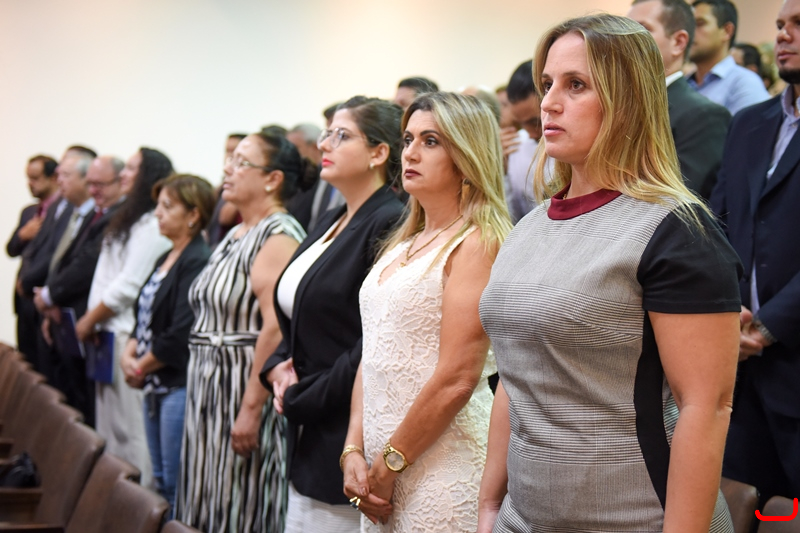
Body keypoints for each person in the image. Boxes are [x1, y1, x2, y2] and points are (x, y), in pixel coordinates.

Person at [477, 14, 742, 532]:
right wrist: (490, 505)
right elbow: (514, 373)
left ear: (628, 100)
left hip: (635, 517)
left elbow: (706, 407)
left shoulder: (677, 231)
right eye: (548, 84)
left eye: (576, 85)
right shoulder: (529, 227)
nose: (549, 102)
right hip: (523, 517)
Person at [341, 92, 512, 532]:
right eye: (408, 139)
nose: (411, 153)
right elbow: (374, 352)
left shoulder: (478, 241)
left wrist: (389, 465)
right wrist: (353, 449)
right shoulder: (404, 240)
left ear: (466, 155)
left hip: (442, 471)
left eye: (431, 141)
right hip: (381, 466)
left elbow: (457, 377)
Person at [259, 96, 405, 533]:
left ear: (378, 153)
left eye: (341, 136)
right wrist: (277, 367)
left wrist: (305, 396)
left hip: (341, 417)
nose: (325, 144)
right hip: (306, 411)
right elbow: (297, 311)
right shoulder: (331, 217)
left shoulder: (389, 221)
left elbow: (371, 337)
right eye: (327, 134)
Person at [176, 131, 307, 533]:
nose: (227, 169)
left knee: (239, 503)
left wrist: (250, 409)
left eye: (240, 162)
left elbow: (275, 327)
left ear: (272, 179)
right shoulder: (237, 232)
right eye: (229, 160)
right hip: (209, 390)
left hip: (242, 388)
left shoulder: (278, 234)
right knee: (204, 497)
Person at [712, 0, 800, 504]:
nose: (783, 35)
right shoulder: (749, 122)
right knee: (742, 510)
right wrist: (725, 312)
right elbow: (718, 224)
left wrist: (769, 326)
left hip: (790, 351)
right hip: (740, 368)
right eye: (780, 25)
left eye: (798, 24)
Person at [75, 148, 175, 484]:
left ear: (148, 176)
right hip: (105, 333)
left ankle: (138, 501)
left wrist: (89, 319)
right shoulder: (129, 218)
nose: (123, 174)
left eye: (132, 168)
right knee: (110, 431)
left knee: (132, 431)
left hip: (123, 336)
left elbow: (127, 285)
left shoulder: (152, 225)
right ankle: (111, 497)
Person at [119, 173, 215, 517]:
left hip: (176, 383)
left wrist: (139, 366)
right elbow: (144, 314)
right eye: (158, 206)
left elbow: (181, 330)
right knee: (159, 478)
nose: (157, 213)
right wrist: (129, 351)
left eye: (167, 206)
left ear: (193, 214)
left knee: (175, 485)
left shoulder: (197, 259)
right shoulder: (166, 256)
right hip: (153, 382)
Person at [33, 154, 123, 425]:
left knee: (90, 411)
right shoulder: (95, 214)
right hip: (69, 318)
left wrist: (50, 296)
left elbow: (84, 266)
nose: (93, 190)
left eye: (99, 184)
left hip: (93, 324)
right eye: (91, 183)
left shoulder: (116, 217)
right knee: (73, 402)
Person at [627, 0, 731, 199]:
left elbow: (678, 197)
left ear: (678, 42)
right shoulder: (615, 104)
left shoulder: (703, 116)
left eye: (641, 30)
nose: (624, 41)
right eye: (622, 32)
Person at [8, 155, 59, 363]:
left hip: (45, 297)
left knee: (45, 363)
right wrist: (23, 235)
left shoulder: (62, 212)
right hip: (23, 301)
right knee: (25, 359)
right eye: (28, 178)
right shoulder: (29, 212)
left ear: (53, 178)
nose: (30, 183)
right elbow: (11, 249)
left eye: (36, 178)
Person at [687, 0, 769, 115]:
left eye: (700, 24)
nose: (689, 32)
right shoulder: (684, 82)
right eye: (688, 25)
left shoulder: (745, 84)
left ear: (726, 31)